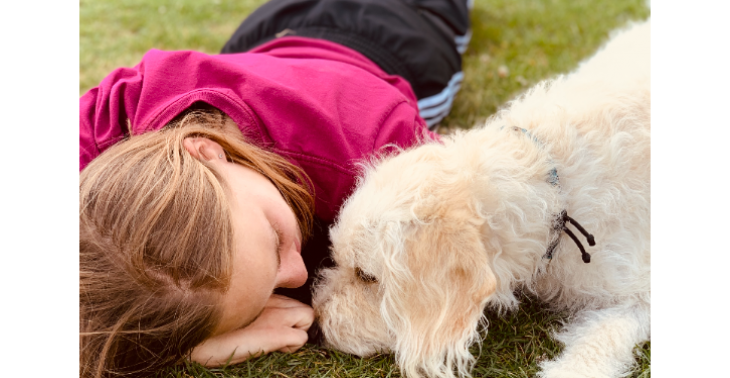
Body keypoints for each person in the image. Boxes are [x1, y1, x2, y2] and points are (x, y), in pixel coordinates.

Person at [79, 0, 471, 377]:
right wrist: (183, 346)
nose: (300, 275)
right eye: (270, 294)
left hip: (398, 33)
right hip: (267, 35)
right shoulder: (122, 135)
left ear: (207, 153)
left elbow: (463, 232)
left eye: (275, 237)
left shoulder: (372, 149)